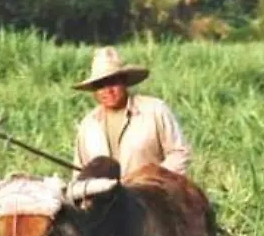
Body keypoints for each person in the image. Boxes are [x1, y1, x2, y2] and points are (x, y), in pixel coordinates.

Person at [71, 46, 191, 179]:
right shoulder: (88, 125)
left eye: (113, 82)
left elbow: (179, 153)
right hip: (105, 198)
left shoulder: (155, 110)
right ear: (95, 91)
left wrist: (150, 179)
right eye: (101, 85)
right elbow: (80, 172)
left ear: (124, 82)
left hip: (151, 195)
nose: (108, 90)